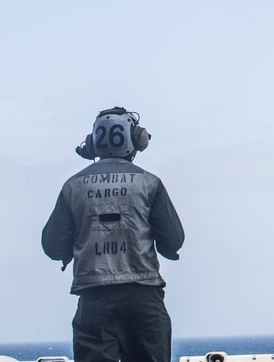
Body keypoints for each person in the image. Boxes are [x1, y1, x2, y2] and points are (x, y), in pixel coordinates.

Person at [42, 107, 185, 362]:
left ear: (93, 142)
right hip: (143, 297)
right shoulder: (150, 183)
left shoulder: (73, 186)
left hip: (93, 298)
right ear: (136, 140)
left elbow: (53, 247)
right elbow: (173, 241)